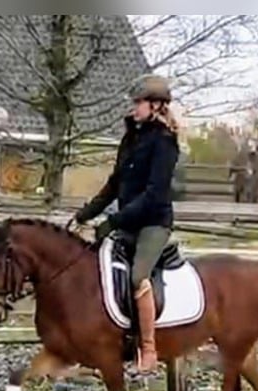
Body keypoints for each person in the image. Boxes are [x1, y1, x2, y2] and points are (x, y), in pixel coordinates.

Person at [72, 73, 180, 372]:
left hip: (153, 224)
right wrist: (86, 213)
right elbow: (114, 184)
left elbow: (154, 194)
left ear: (157, 105)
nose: (134, 108)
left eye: (139, 103)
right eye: (134, 103)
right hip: (127, 221)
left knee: (137, 277)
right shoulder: (131, 137)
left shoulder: (165, 143)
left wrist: (115, 220)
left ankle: (148, 349)